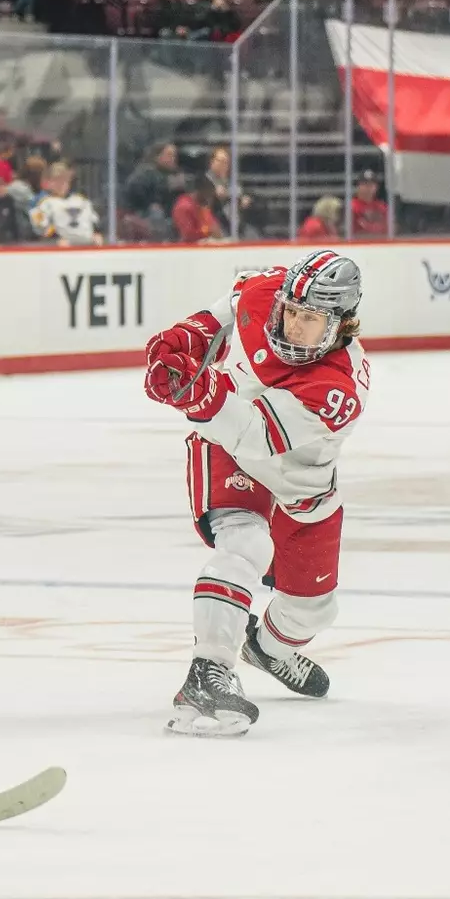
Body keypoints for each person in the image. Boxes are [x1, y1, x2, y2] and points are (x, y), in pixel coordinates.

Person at [142, 250, 371, 736]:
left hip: (298, 480)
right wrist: (191, 335)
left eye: (309, 320)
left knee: (314, 610)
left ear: (341, 324)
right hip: (226, 446)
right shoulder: (267, 292)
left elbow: (258, 433)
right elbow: (227, 309)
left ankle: (268, 647)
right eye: (290, 311)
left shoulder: (339, 388)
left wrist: (197, 394)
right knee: (246, 543)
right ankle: (208, 673)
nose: (291, 326)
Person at [30, 161, 103, 245]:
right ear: (49, 182)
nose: (61, 184)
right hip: (61, 249)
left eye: (65, 180)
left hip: (88, 246)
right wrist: (55, 240)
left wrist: (97, 234)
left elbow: (94, 220)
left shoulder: (81, 200)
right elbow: (40, 227)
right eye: (57, 180)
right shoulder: (44, 203)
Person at [172, 174, 224, 242]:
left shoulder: (202, 207)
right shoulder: (183, 207)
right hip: (186, 249)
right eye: (209, 195)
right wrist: (208, 232)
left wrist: (215, 231)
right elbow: (188, 235)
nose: (210, 199)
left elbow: (213, 226)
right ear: (200, 192)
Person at [351, 170, 388, 237]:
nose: (368, 187)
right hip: (357, 244)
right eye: (365, 184)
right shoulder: (351, 206)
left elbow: (389, 228)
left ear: (376, 187)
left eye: (371, 184)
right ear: (358, 186)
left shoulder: (382, 206)